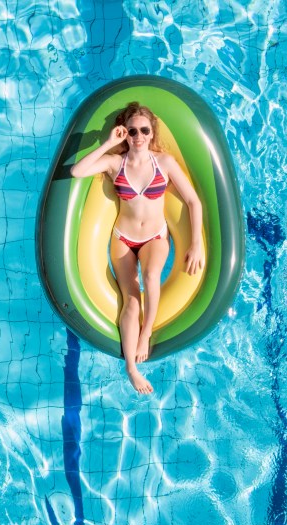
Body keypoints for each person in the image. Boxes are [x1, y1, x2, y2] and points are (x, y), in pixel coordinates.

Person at [70, 102, 204, 394]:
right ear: (125, 133)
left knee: (152, 277)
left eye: (144, 130)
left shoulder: (164, 162)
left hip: (155, 237)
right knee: (131, 300)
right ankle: (131, 367)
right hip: (122, 238)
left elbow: (194, 201)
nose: (139, 135)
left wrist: (196, 243)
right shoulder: (115, 163)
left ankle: (145, 335)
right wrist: (109, 143)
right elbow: (78, 171)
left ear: (152, 132)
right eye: (132, 131)